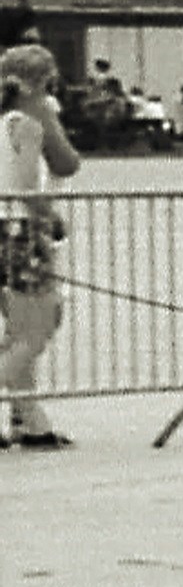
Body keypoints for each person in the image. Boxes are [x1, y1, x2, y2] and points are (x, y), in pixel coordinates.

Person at [1, 42, 76, 445]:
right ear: (43, 83)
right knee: (39, 326)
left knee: (19, 328)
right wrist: (51, 219)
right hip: (20, 231)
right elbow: (27, 186)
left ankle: (29, 418)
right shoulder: (27, 125)